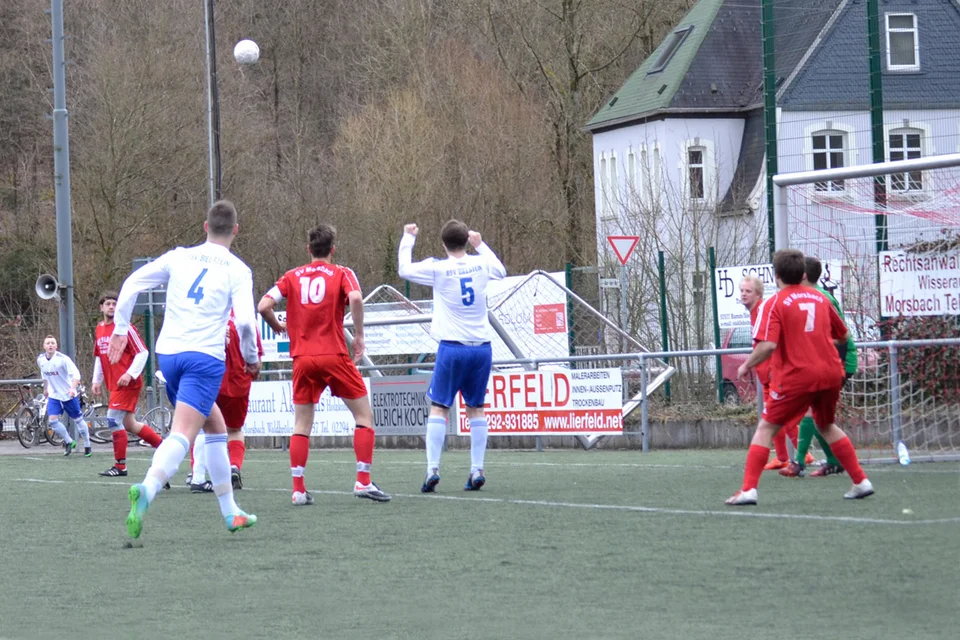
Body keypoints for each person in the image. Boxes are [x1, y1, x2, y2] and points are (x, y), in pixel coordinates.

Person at [109, 200, 262, 538]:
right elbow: (248, 324)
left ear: (205, 227)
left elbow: (133, 282)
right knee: (183, 433)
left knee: (217, 426)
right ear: (236, 230)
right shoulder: (237, 269)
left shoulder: (179, 256)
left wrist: (121, 326)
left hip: (169, 355)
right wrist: (251, 358)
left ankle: (230, 512)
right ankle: (146, 489)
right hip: (203, 359)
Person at [726, 249, 873, 505]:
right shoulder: (821, 298)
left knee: (766, 427)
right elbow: (843, 336)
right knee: (825, 425)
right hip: (829, 373)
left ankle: (748, 489)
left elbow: (767, 345)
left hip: (797, 375)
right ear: (802, 274)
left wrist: (746, 365)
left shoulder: (774, 303)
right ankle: (861, 481)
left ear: (777, 276)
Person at [258, 223, 391, 505]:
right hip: (333, 354)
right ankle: (363, 481)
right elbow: (355, 297)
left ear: (308, 250)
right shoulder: (342, 272)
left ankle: (297, 490)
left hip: (303, 358)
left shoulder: (292, 276)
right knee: (364, 417)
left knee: (301, 424)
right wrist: (359, 335)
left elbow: (263, 305)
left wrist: (278, 325)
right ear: (333, 249)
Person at [397, 220, 506, 492]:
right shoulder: (481, 265)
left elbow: (404, 269)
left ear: (443, 244)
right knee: (476, 408)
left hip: (452, 348)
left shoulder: (439, 268)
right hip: (481, 348)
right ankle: (476, 469)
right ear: (466, 241)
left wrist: (408, 238)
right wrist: (480, 245)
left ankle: (432, 468)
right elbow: (501, 271)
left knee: (439, 407)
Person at [780, 256, 859, 478]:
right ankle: (833, 461)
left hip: (838, 362)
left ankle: (798, 463)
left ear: (803, 275)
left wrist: (839, 362)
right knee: (819, 418)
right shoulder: (804, 297)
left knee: (812, 414)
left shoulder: (822, 297)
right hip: (823, 363)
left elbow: (842, 335)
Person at [738, 276, 810, 472]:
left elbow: (769, 343)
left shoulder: (763, 310)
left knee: (780, 416)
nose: (744, 294)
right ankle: (782, 457)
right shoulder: (756, 312)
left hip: (774, 372)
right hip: (767, 373)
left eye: (748, 291)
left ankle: (804, 454)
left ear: (759, 294)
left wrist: (764, 367)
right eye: (742, 291)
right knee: (770, 416)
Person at [92, 291, 165, 477]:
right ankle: (166, 449)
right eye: (107, 303)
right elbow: (100, 357)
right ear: (101, 307)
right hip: (114, 384)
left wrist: (130, 374)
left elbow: (143, 353)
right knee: (130, 424)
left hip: (127, 383)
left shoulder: (125, 328)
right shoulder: (100, 328)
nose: (111, 307)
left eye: (114, 304)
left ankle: (120, 466)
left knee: (113, 419)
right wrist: (96, 380)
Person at [188, 314, 263, 492]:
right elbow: (256, 356)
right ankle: (233, 467)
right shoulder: (247, 320)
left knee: (201, 427)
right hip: (239, 383)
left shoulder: (207, 315)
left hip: (211, 380)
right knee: (235, 430)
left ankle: (197, 475)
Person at [37, 335, 92, 456]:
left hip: (68, 395)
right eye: (48, 343)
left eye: (52, 343)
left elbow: (76, 375)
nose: (50, 345)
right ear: (44, 346)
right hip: (54, 395)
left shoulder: (63, 359)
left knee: (78, 420)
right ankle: (69, 441)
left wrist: (73, 389)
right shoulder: (41, 360)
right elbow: (44, 376)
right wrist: (46, 389)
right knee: (52, 421)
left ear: (56, 346)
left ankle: (87, 445)